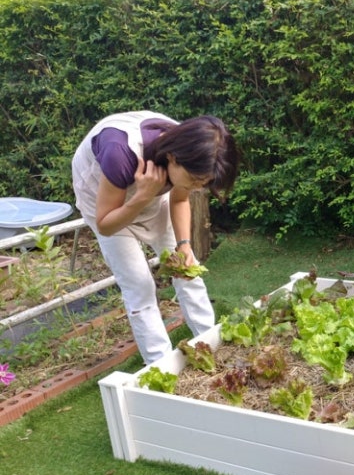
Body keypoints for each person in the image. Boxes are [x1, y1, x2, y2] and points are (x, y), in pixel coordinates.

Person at [72, 111, 239, 365]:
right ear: (172, 158)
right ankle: (161, 366)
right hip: (104, 202)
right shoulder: (120, 152)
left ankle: (209, 343)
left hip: (149, 193)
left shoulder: (191, 150)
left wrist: (184, 245)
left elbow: (180, 198)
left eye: (203, 183)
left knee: (187, 268)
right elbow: (105, 225)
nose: (197, 187)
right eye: (195, 180)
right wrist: (142, 196)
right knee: (139, 285)